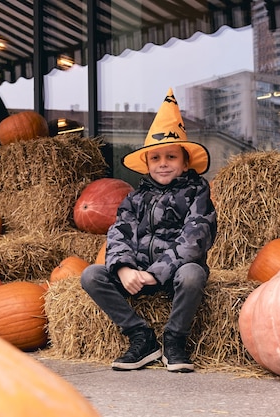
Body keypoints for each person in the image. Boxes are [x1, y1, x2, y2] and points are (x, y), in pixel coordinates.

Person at [81, 88, 217, 373]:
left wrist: (157, 273)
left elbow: (195, 237)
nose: (163, 164)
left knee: (192, 274)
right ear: (147, 164)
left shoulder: (196, 191)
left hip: (173, 273)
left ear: (185, 162)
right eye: (155, 158)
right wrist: (124, 269)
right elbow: (119, 234)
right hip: (137, 274)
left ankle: (174, 339)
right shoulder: (135, 198)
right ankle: (141, 337)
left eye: (170, 157)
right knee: (91, 275)